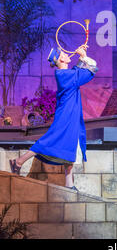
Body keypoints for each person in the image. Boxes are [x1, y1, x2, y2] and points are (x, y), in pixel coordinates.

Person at [9, 45, 98, 191]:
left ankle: (70, 184)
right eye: (63, 53)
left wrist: (83, 56)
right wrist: (83, 57)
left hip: (70, 116)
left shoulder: (67, 74)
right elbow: (90, 71)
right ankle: (18, 162)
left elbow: (79, 71)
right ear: (61, 59)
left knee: (70, 146)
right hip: (66, 117)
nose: (67, 53)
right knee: (49, 140)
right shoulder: (64, 75)